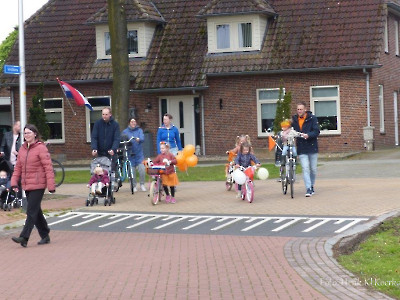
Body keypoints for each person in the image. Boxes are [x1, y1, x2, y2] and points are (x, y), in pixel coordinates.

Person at [11, 124, 56, 247]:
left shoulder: (41, 148)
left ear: (35, 134)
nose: (26, 135)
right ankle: (45, 234)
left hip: (38, 184)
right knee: (36, 211)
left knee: (31, 211)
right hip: (27, 184)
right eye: (25, 133)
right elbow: (18, 168)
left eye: (29, 133)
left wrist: (51, 185)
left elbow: (48, 167)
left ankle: (24, 237)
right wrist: (14, 182)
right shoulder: (22, 149)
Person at [291, 101, 320, 197]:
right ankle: (308, 188)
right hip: (301, 147)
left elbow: (317, 131)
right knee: (305, 168)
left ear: (305, 109)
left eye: (301, 109)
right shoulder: (294, 119)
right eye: (298, 109)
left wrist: (308, 135)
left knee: (313, 169)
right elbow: (290, 130)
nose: (299, 111)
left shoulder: (312, 118)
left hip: (312, 147)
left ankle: (311, 185)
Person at [121, 118, 146, 192]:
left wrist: (139, 139)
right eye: (132, 121)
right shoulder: (125, 132)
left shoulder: (139, 130)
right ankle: (133, 185)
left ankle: (142, 184)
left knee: (142, 169)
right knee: (132, 171)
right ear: (129, 123)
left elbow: (142, 138)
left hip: (139, 154)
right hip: (129, 154)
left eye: (134, 121)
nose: (133, 123)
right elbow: (122, 140)